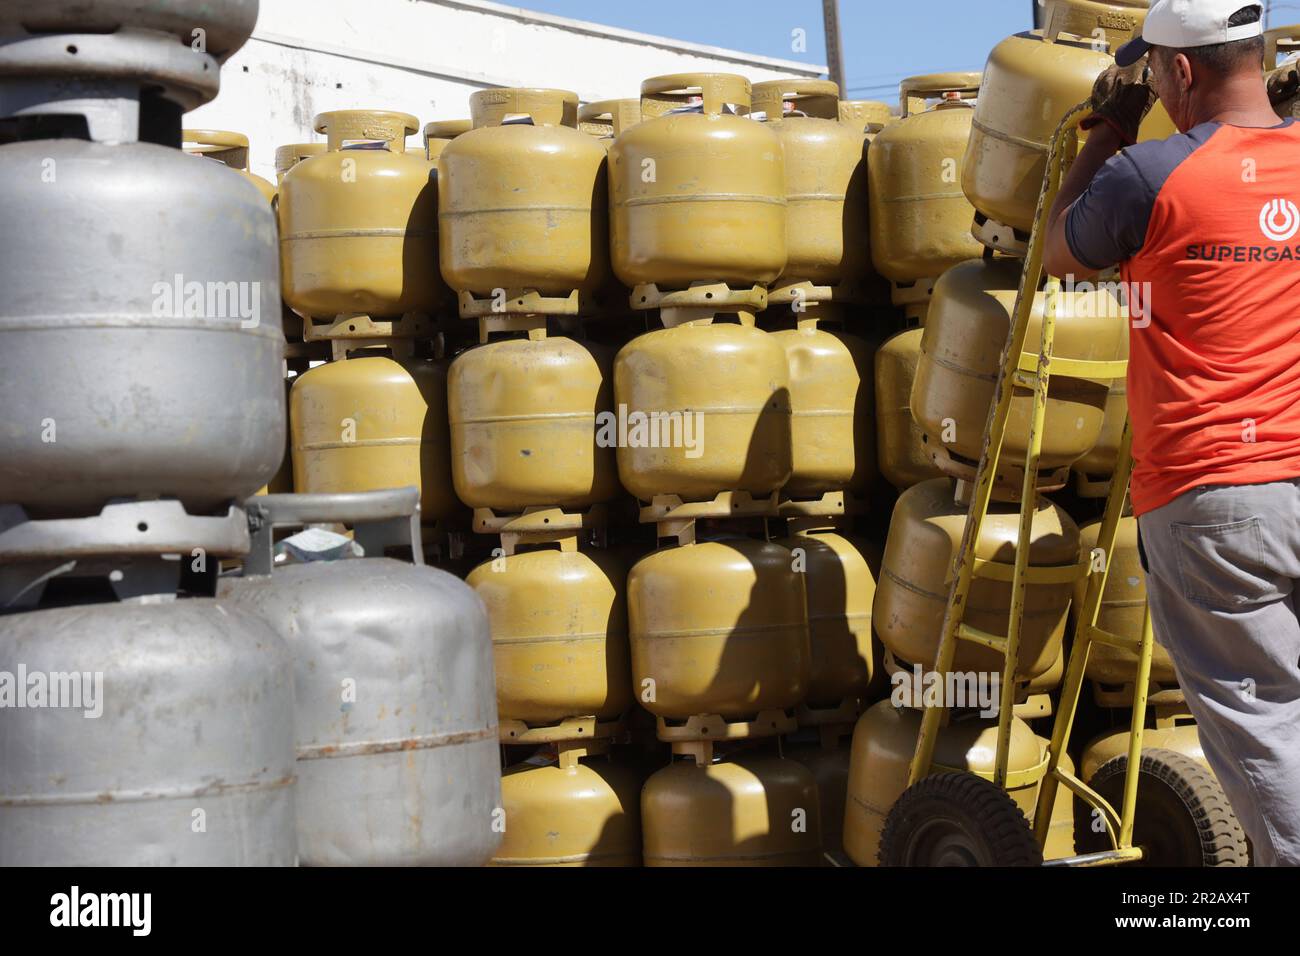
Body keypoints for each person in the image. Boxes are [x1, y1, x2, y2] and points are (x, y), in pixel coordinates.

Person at [1044, 0, 1300, 866]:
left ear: (1181, 73)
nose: (1154, 86)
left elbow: (1059, 250)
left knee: (1260, 717)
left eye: (1153, 73)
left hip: (1214, 494)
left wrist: (1108, 129)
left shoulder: (1147, 175)